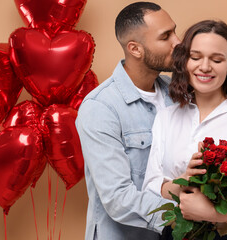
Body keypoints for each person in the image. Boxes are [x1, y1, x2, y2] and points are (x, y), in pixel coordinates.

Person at [142, 20, 227, 240]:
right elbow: (152, 184)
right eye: (195, 57)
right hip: (177, 233)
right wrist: (182, 183)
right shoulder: (166, 117)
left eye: (216, 59)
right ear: (185, 61)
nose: (205, 67)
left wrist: (213, 213)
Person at [75, 2, 181, 240]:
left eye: (175, 31)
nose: (178, 42)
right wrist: (188, 215)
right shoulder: (100, 108)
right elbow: (118, 197)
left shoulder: (177, 94)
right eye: (166, 36)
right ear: (135, 49)